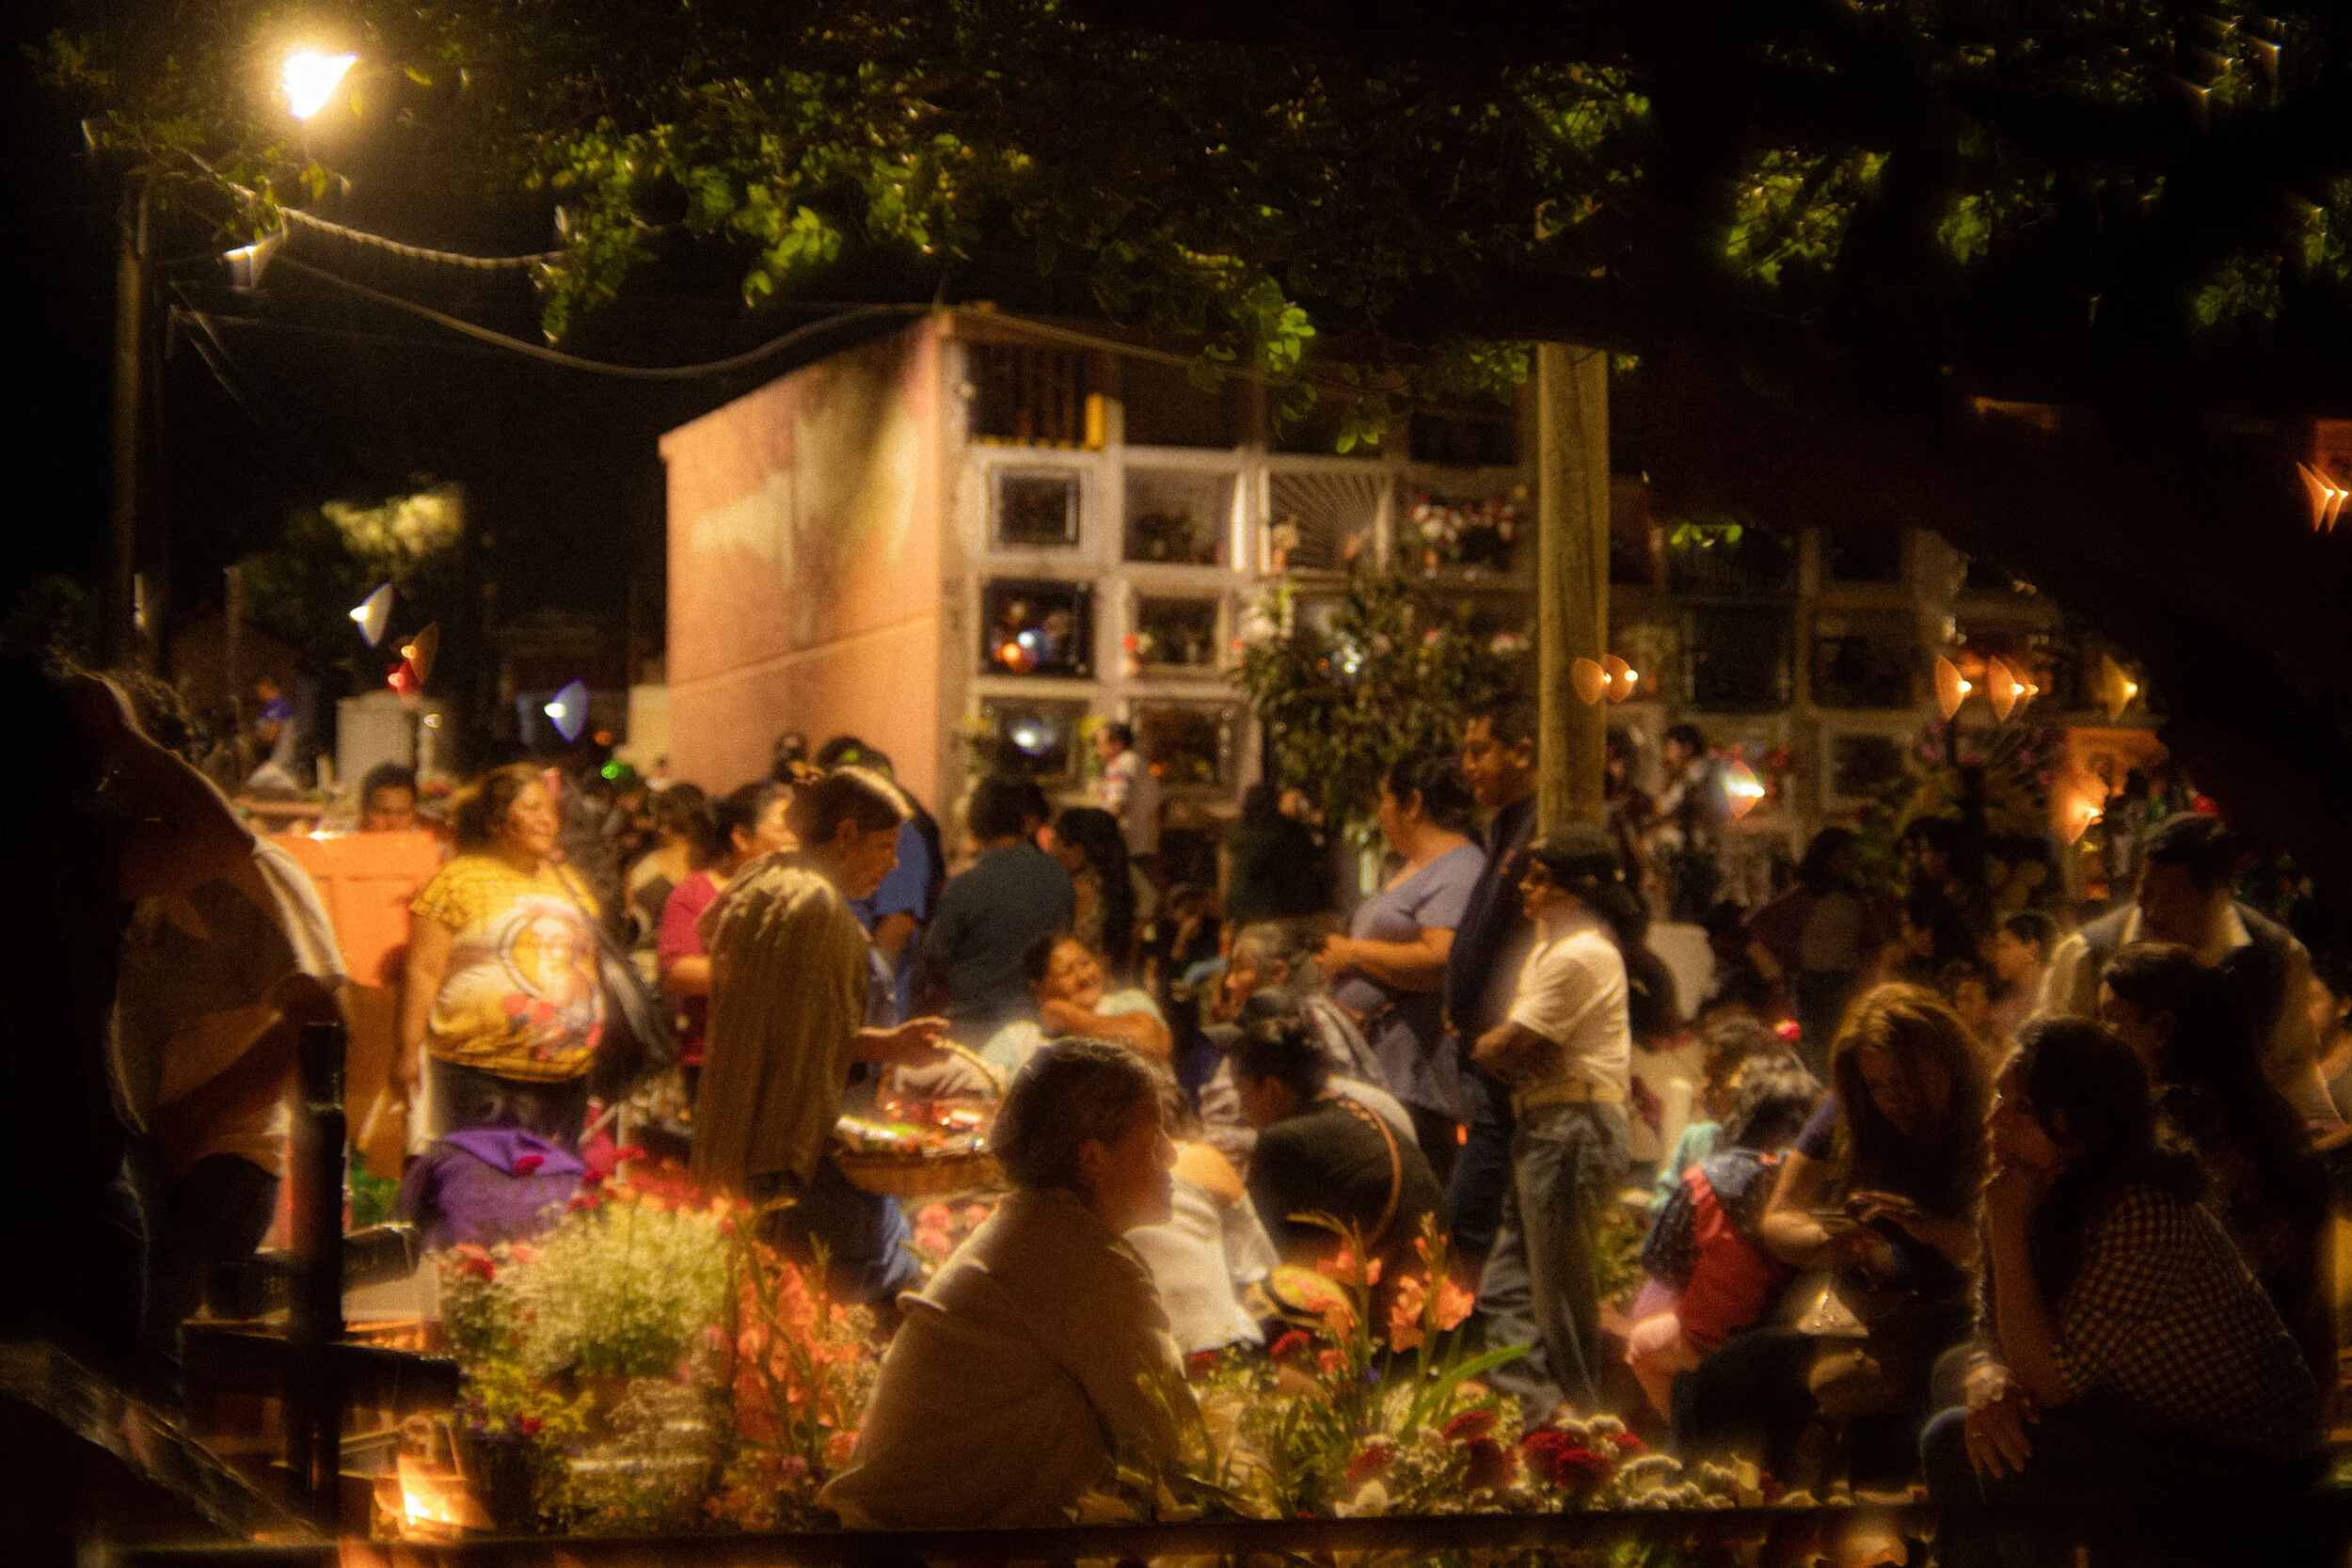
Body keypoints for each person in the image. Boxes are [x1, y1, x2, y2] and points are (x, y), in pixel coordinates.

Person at [1923, 1020, 2321, 1568]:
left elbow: (2050, 1382)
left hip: (2247, 1462)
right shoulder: (2026, 1187)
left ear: (2085, 1129)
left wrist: (2007, 1232)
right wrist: (1987, 1376)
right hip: (2144, 1423)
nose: (1994, 1122)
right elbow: (1990, 1323)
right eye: (1998, 1098)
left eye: (2024, 1110)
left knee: (1995, 1447)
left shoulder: (2139, 1210)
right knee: (1956, 1399)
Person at [0, 659, 258, 1378]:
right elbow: (221, 839)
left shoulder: (64, 845)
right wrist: (119, 734)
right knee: (95, 1418)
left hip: (67, 1179)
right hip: (70, 1173)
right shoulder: (67, 847)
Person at [820, 1038, 1193, 1528]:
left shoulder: (1039, 1229)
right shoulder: (1077, 1259)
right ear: (1092, 1158)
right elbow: (1178, 1448)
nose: (1171, 1153)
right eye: (1154, 1135)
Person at [110, 674, 348, 1356]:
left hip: (216, 1163)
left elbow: (318, 1019)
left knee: (157, 1359)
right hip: (141, 1152)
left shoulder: (251, 868)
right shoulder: (116, 864)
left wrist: (194, 1120)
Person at [1692, 985, 1986, 1488]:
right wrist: (1836, 1242)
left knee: (1919, 1391)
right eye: (1878, 1085)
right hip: (1868, 1310)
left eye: (1903, 1082)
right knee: (1724, 1375)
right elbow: (1779, 1219)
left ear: (1944, 1064)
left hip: (1956, 1310)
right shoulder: (1850, 1111)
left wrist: (1930, 1230)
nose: (1891, 1099)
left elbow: (1997, 1254)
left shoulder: (1991, 1116)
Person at [691, 768, 950, 1302]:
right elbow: (806, 1048)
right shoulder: (817, 907)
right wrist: (889, 1046)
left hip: (743, 1129)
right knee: (814, 1306)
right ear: (847, 834)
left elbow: (791, 1026)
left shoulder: (764, 881)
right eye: (885, 846)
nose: (893, 864)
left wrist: (885, 1044)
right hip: (800, 1157)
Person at [2098, 941, 2333, 1383]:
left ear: (2162, 1028)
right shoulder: (2264, 1109)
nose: (2099, 1037)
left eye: (2110, 1019)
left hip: (2227, 1386)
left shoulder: (2176, 1125)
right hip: (2294, 1377)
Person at [1468, 825, 1637, 1423]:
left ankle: (1587, 1431)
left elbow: (1504, 1047)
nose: (1526, 888)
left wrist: (1497, 1047)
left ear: (1576, 890)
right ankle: (1542, 1416)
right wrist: (1504, 1049)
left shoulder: (1580, 954)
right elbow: (1510, 1049)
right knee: (1507, 1289)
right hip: (1544, 1125)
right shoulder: (1548, 952)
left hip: (1571, 1129)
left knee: (1561, 1300)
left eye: (1540, 879)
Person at [2039, 811, 2336, 1127]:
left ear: (2217, 898)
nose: (2152, 911)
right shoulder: (2087, 954)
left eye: (2170, 899)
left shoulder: (2275, 957)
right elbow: (2047, 1063)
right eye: (2145, 893)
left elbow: (2292, 1071)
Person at [399, 764, 605, 1148]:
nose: (547, 820)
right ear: (495, 822)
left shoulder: (569, 883)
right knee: (483, 1179)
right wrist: (407, 1051)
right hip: (480, 1075)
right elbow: (424, 969)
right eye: (532, 808)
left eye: (550, 810)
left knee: (553, 1183)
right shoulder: (456, 880)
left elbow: (586, 962)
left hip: (566, 1075)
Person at [1627, 1053, 1823, 1418]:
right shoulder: (1816, 1185)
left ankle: (1686, 1431)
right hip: (1795, 1344)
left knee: (1641, 1346)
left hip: (1711, 1343)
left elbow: (1662, 1263)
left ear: (1746, 1113)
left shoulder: (1705, 1179)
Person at [1322, 754, 1485, 1181]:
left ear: (1412, 804)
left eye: (1385, 800)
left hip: (1414, 1076)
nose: (1380, 814)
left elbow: (1439, 960)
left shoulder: (1460, 869)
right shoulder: (1415, 866)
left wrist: (1353, 954)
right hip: (1379, 1068)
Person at [1231, 1015, 1448, 1291]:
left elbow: (1264, 1254)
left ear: (1272, 1088)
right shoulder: (1354, 1107)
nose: (1242, 1111)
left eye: (1242, 1094)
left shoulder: (1281, 1140)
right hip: (1439, 1281)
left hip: (1394, 1295)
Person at [1443, 694, 1541, 1266]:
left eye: (1480, 751)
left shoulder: (1539, 828)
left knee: (1467, 1228)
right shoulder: (1505, 827)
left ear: (1521, 753)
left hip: (1512, 1062)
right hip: (1482, 1062)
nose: (1468, 766)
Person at [1194, 923, 1406, 1162]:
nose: (1230, 983)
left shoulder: (1308, 1023)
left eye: (1241, 969)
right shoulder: (1269, 1019)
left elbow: (1330, 1125)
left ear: (1279, 972)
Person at [658, 780, 795, 1094]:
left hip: (785, 1058)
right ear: (742, 838)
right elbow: (676, 970)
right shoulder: (696, 892)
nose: (794, 840)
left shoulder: (804, 894)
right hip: (717, 1059)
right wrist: (763, 973)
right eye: (783, 829)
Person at [1125, 1078, 1281, 1354]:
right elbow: (1261, 1270)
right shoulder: (1203, 1160)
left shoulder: (1096, 1188)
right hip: (1219, 1348)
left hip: (1140, 1358)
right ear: (1188, 1122)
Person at [922, 774, 1074, 1034]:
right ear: (1027, 823)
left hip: (973, 1024)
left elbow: (936, 958)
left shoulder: (964, 884)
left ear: (975, 824)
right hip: (1041, 1022)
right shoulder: (1059, 877)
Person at [1743, 828, 1882, 1078]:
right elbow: (1759, 923)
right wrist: (1795, 954)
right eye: (1843, 855)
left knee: (1847, 1042)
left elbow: (1869, 939)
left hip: (1846, 981)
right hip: (1814, 983)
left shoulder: (1856, 897)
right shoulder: (1804, 896)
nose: (1849, 862)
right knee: (1817, 1047)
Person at [819, 736, 939, 1024]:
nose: (893, 861)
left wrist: (866, 998)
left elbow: (898, 925)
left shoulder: (901, 835)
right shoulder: (812, 881)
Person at [976, 933, 1174, 1079]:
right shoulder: (1019, 1038)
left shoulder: (1127, 1002)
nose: (1084, 976)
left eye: (1086, 963)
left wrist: (1067, 1017)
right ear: (1037, 988)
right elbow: (978, 1082)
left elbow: (1151, 1044)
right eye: (1067, 972)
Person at [1648, 1014, 1779, 1216]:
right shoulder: (1697, 1139)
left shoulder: (1769, 1150)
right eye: (1705, 1075)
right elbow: (1661, 1202)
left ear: (1753, 1084)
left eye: (1718, 1079)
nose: (1704, 1087)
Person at [1044, 805, 1136, 976]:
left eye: (1058, 841)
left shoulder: (1072, 889)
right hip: (1106, 979)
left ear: (1078, 850)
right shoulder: (1116, 885)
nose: (1053, 851)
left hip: (1073, 980)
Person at [1225, 782, 1332, 924]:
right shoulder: (1282, 830)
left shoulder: (1241, 829)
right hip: (1273, 911)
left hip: (1239, 909)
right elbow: (1309, 853)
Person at [624, 782, 710, 949]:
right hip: (695, 963)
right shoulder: (714, 873)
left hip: (641, 961)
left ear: (664, 825)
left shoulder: (641, 869)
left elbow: (629, 925)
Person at [1654, 721, 1725, 921]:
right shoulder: (1706, 771)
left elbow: (1662, 807)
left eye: (1671, 747)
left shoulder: (1692, 774)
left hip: (1691, 848)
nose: (1667, 754)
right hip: (1704, 846)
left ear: (1686, 749)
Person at [1981, 910, 2056, 1053]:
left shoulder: (2052, 996)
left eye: (2004, 947)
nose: (1997, 956)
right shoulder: (2008, 999)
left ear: (2032, 950)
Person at [1092, 720, 1162, 865]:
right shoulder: (1136, 762)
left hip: (1126, 845)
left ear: (1117, 745)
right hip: (1142, 844)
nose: (1096, 750)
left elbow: (1116, 807)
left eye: (1100, 744)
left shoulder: (1120, 765)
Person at [359, 762, 421, 833]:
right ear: (365, 812)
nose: (392, 823)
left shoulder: (426, 839)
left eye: (402, 813)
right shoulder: (349, 838)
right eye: (383, 812)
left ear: (414, 814)